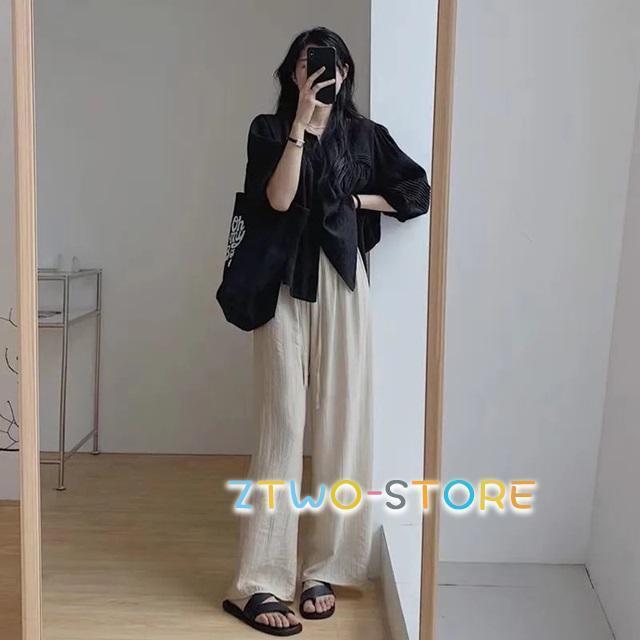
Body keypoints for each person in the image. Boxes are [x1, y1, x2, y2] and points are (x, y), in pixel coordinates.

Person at [222, 26, 430, 636]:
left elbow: (416, 191)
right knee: (282, 427)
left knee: (344, 423)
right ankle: (257, 582)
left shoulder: (365, 136)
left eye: (332, 65)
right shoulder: (268, 129)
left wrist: (356, 202)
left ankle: (325, 568)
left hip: (343, 282)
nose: (320, 74)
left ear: (346, 73)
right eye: (309, 64)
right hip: (284, 285)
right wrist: (301, 125)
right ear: (293, 72)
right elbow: (279, 200)